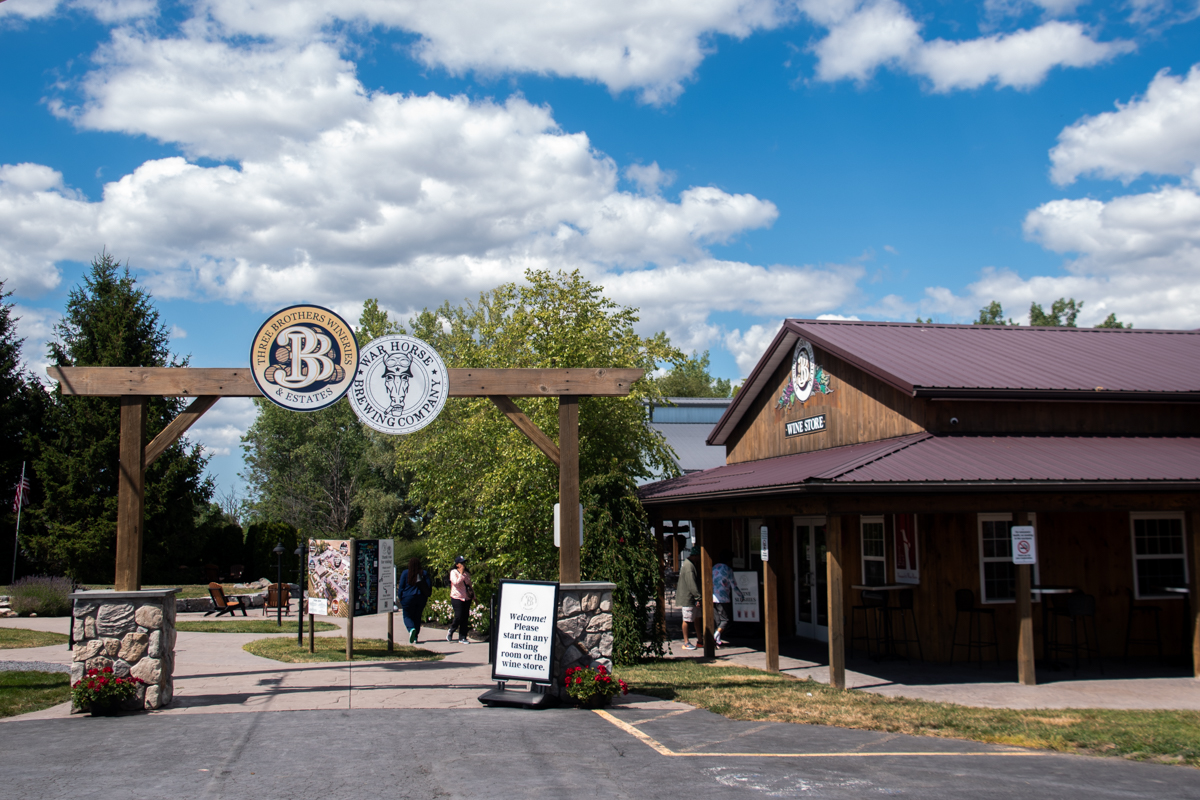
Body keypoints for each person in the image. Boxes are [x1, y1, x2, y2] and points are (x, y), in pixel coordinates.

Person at [397, 556, 431, 644]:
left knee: (407, 616)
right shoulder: (424, 573)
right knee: (417, 616)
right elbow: (429, 587)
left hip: (408, 597)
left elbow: (401, 587)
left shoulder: (405, 573)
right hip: (421, 598)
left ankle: (411, 629)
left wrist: (400, 597)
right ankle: (415, 636)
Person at [676, 548, 702, 651]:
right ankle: (686, 642)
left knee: (697, 618)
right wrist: (698, 596)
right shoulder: (689, 566)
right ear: (696, 556)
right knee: (687, 619)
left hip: (693, 597)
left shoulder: (690, 564)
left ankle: (700, 640)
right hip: (688, 597)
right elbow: (691, 584)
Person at [447, 555, 474, 644]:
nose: (463, 565)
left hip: (466, 598)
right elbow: (456, 583)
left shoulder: (467, 573)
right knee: (458, 616)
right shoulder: (453, 572)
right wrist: (461, 574)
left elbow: (469, 586)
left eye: (464, 563)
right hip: (457, 597)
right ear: (457, 564)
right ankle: (452, 630)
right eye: (461, 563)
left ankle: (462, 637)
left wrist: (474, 597)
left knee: (465, 617)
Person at [712, 550, 734, 647]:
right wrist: (740, 594)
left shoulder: (714, 568)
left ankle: (718, 640)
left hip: (713, 596)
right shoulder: (728, 569)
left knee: (717, 620)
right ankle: (716, 635)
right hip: (723, 597)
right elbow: (734, 584)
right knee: (725, 620)